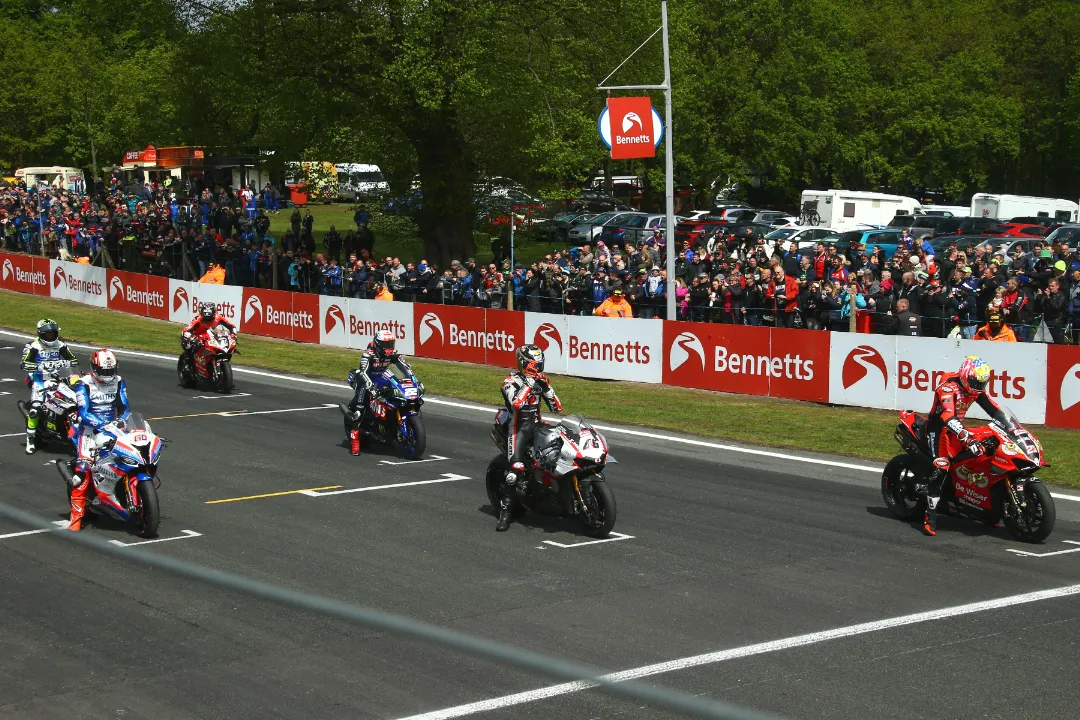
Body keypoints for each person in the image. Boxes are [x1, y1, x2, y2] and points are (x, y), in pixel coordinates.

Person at [921, 356, 1007, 536]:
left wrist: (1014, 428)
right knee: (942, 467)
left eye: (983, 382)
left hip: (957, 429)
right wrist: (967, 438)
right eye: (976, 381)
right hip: (939, 429)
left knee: (985, 451)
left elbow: (995, 411)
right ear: (966, 375)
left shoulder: (976, 390)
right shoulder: (948, 388)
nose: (979, 386)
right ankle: (930, 516)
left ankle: (981, 508)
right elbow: (947, 416)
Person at [496, 345, 562, 532]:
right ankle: (505, 514)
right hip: (518, 429)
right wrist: (530, 383)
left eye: (539, 364)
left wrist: (547, 387)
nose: (538, 367)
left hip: (538, 426)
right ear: (525, 363)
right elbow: (516, 404)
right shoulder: (510, 381)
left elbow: (557, 408)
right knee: (514, 471)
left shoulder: (541, 380)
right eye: (534, 364)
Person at [70, 349, 131, 531]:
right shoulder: (84, 384)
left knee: (132, 455)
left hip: (114, 428)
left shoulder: (119, 382)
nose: (108, 375)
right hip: (89, 430)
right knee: (82, 471)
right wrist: (103, 424)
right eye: (104, 371)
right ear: (94, 368)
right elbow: (84, 412)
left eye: (110, 371)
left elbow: (125, 407)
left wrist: (121, 420)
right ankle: (76, 518)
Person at [344, 330, 419, 456]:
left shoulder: (393, 354)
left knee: (397, 393)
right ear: (378, 344)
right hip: (367, 379)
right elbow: (363, 372)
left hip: (382, 379)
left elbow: (405, 367)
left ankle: (393, 424)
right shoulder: (369, 354)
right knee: (359, 409)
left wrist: (413, 379)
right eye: (386, 345)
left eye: (391, 344)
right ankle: (355, 443)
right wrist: (370, 386)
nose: (389, 348)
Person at [21, 318, 79, 454]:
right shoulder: (32, 346)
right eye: (47, 334)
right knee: (35, 409)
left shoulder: (61, 345)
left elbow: (74, 360)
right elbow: (24, 364)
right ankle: (31, 440)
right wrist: (39, 366)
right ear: (41, 334)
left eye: (53, 334)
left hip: (60, 378)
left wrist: (62, 364)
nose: (50, 337)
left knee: (78, 398)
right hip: (40, 380)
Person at [181, 302, 237, 367]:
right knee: (189, 346)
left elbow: (232, 326)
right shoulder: (197, 319)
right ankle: (188, 364)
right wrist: (191, 337)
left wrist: (233, 334)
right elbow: (187, 329)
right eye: (205, 318)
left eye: (209, 319)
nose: (207, 321)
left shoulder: (219, 317)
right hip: (197, 337)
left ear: (213, 314)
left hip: (210, 337)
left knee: (222, 347)